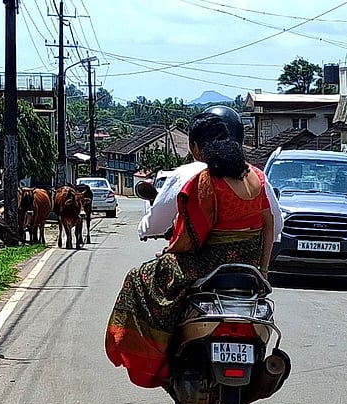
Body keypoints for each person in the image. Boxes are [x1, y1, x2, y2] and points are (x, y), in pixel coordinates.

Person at [105, 111, 276, 389]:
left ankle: (157, 356)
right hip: (250, 268)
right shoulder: (257, 176)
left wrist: (168, 253)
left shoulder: (206, 181)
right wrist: (263, 270)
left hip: (209, 264)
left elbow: (189, 238)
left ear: (197, 149)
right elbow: (269, 226)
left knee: (139, 278)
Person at [137, 105, 284, 243]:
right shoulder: (256, 175)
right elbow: (276, 226)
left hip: (199, 264)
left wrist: (143, 230)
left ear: (195, 147)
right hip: (249, 263)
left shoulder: (189, 174)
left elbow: (156, 225)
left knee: (140, 272)